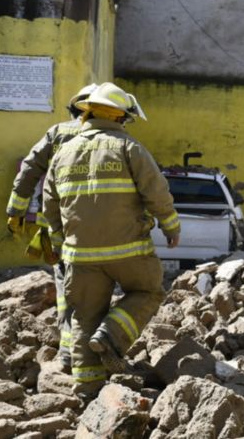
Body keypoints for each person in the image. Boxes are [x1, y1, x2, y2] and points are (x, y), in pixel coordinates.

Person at [42, 82, 180, 398]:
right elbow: (157, 193)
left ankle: (88, 389)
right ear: (119, 117)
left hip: (80, 257)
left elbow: (50, 205)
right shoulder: (129, 148)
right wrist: (171, 227)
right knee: (148, 290)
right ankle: (112, 336)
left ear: (87, 113)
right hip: (129, 252)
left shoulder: (62, 153)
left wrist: (62, 243)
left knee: (84, 317)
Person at [6, 83, 98, 373]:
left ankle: (70, 353)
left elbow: (29, 170)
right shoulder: (112, 136)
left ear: (73, 110)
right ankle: (97, 346)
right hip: (100, 227)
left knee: (66, 287)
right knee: (98, 287)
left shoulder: (58, 133)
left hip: (60, 227)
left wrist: (16, 210)